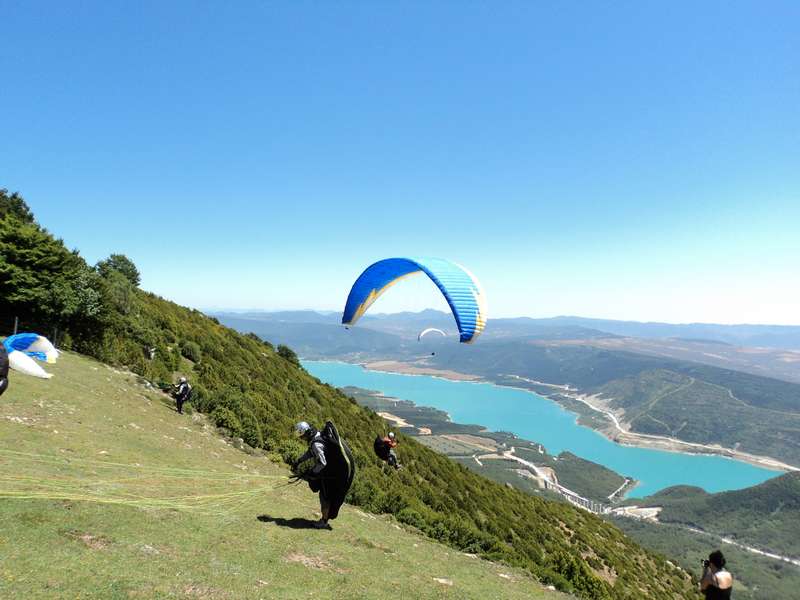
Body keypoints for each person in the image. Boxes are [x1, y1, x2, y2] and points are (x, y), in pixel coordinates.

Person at [293, 420, 355, 529]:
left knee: (324, 496)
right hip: (332, 470)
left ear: (306, 434)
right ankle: (324, 519)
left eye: (302, 437)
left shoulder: (316, 444)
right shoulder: (318, 435)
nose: (302, 439)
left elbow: (322, 462)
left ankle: (324, 522)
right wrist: (299, 461)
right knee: (324, 495)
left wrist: (312, 472)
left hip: (329, 473)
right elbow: (311, 452)